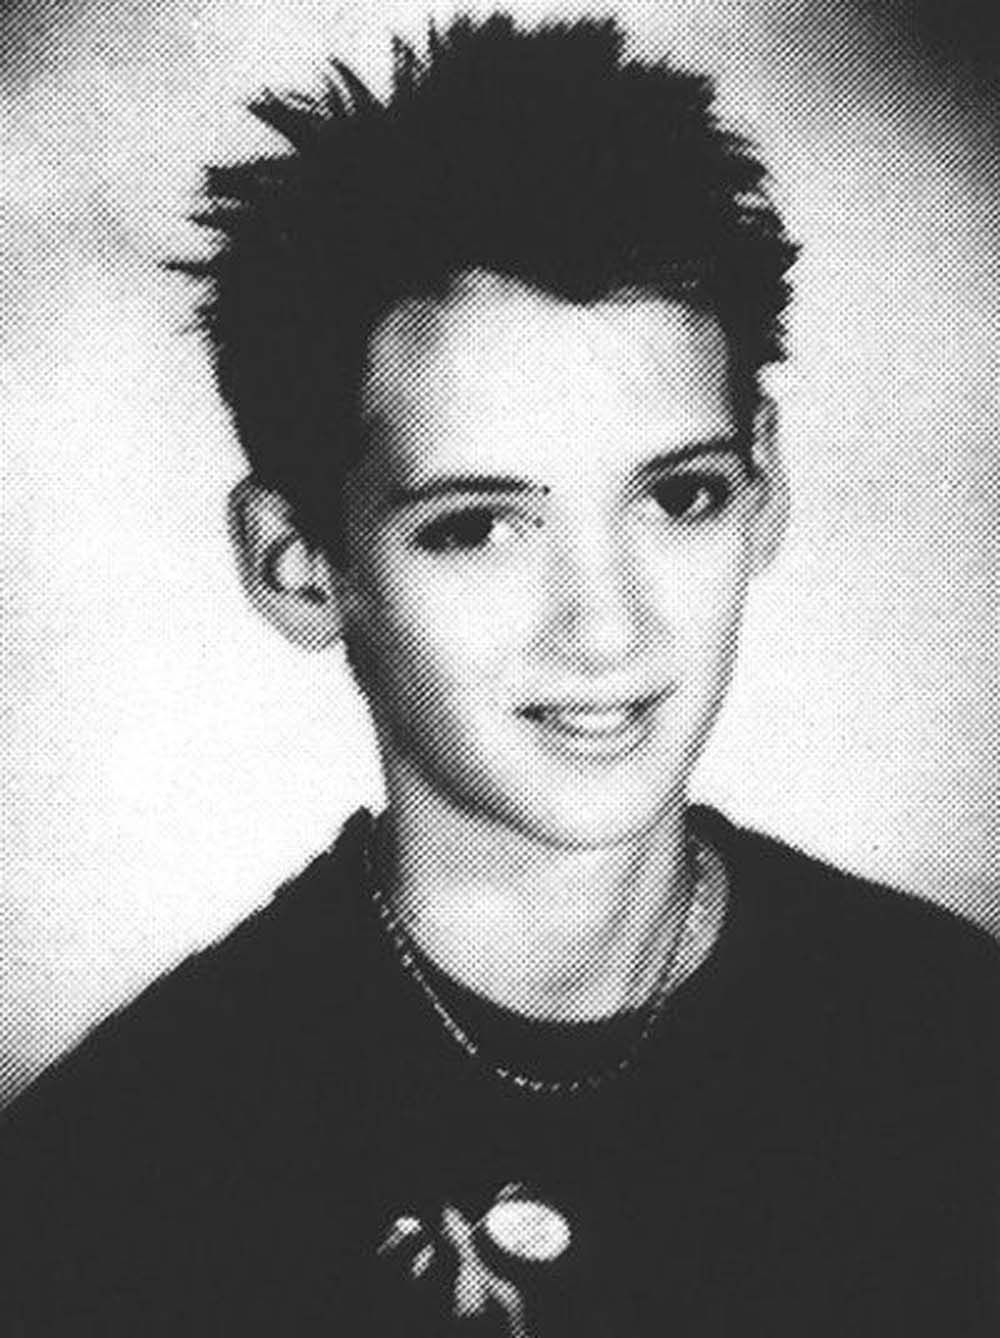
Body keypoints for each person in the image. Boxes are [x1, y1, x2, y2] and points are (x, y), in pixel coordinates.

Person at [1, 12, 996, 1336]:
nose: (607, 631)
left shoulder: (951, 1041)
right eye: (477, 526)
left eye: (679, 497)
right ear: (300, 564)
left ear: (761, 486)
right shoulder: (119, 1176)